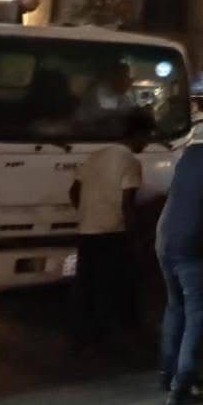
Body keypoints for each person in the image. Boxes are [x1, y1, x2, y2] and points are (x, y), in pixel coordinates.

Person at [156, 124, 203, 405]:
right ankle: (182, 382)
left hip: (165, 238)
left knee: (176, 306)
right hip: (193, 243)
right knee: (199, 312)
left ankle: (166, 372)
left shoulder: (191, 152)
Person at [69, 136, 146, 351]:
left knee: (86, 285)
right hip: (113, 233)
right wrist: (136, 238)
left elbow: (73, 191)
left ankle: (82, 334)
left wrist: (87, 212)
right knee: (111, 285)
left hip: (87, 231)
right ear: (138, 133)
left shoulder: (94, 157)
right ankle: (107, 335)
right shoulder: (130, 161)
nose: (146, 143)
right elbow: (127, 204)